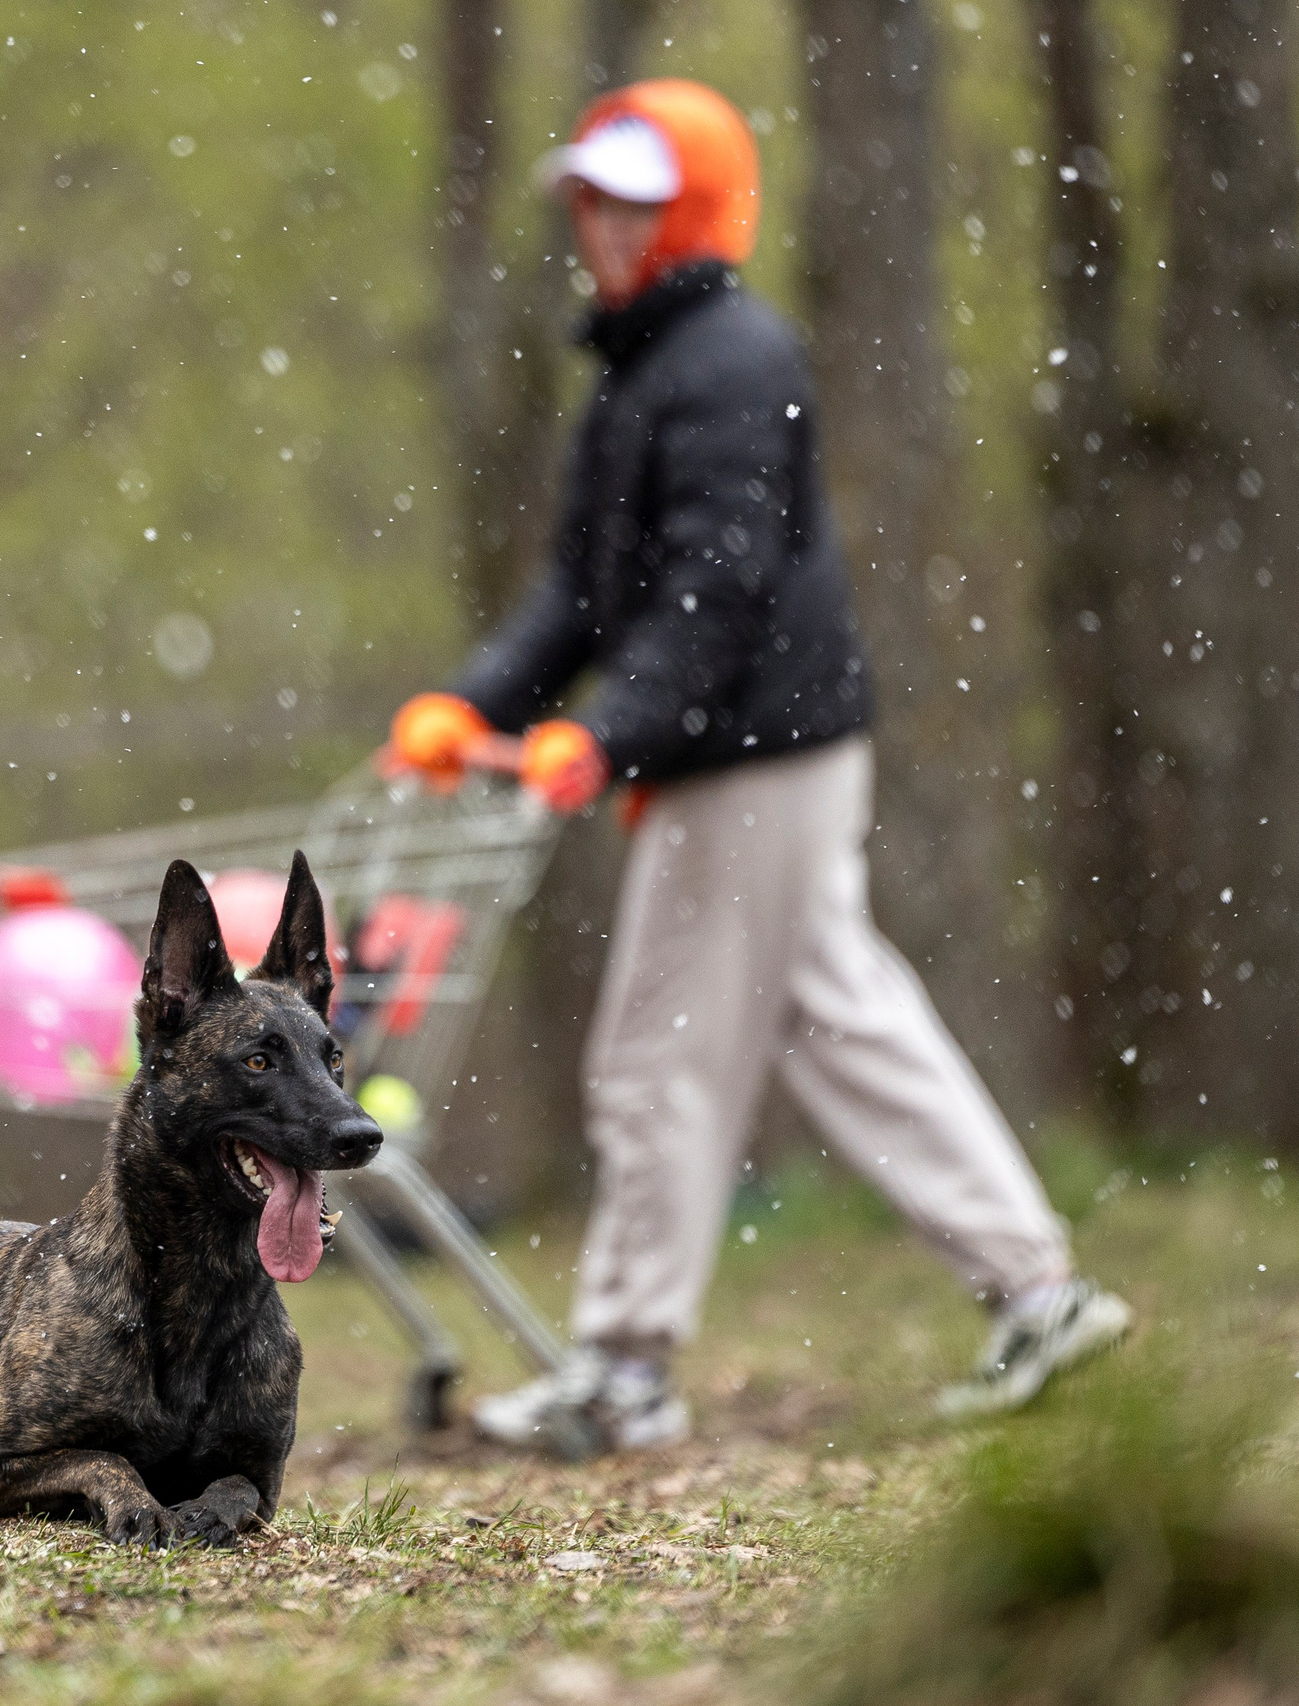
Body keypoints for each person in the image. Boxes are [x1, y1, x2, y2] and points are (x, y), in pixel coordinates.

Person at [388, 79, 1129, 1455]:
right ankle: (1040, 1292)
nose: (607, 226)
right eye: (592, 200)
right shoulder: (644, 368)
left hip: (751, 762)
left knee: (655, 1057)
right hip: (748, 754)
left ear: (700, 211)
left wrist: (606, 735)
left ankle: (626, 1367)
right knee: (847, 1023)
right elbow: (581, 593)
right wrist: (471, 703)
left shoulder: (728, 361)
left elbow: (713, 594)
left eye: (637, 202)